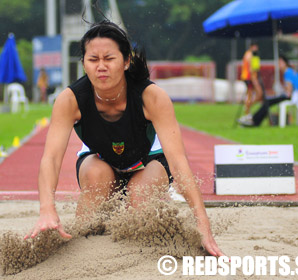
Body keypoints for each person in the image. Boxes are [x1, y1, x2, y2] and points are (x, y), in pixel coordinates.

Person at [24, 20, 224, 257]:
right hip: (101, 162)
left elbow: (179, 161)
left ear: (126, 61)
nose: (101, 67)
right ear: (83, 64)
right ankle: (101, 216)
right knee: (91, 208)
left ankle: (149, 205)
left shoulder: (152, 97)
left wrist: (202, 223)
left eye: (109, 59)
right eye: (93, 60)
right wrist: (47, 209)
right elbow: (51, 159)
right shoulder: (69, 100)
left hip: (149, 160)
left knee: (138, 200)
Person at [239, 55, 298, 127]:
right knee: (268, 101)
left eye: (280, 63)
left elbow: (288, 91)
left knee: (268, 101)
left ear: (285, 63)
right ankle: (255, 120)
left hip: (294, 96)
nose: (279, 64)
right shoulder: (291, 71)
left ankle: (255, 121)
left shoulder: (288, 72)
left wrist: (280, 93)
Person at [239, 43, 264, 123]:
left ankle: (248, 108)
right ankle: (247, 109)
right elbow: (252, 69)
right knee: (253, 94)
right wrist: (254, 79)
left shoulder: (253, 55)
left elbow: (256, 68)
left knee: (252, 95)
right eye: (254, 47)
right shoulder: (249, 55)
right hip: (249, 77)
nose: (256, 49)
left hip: (251, 77)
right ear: (251, 47)